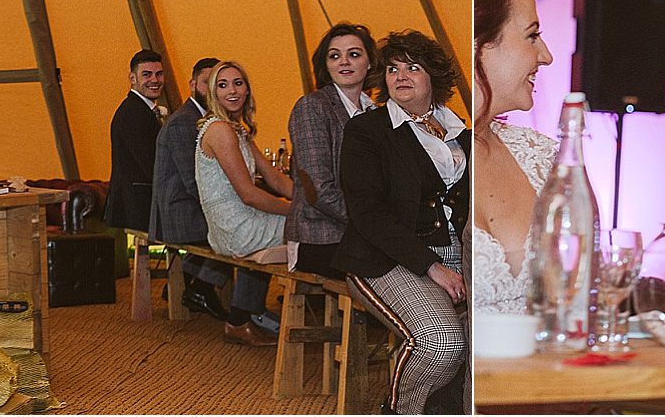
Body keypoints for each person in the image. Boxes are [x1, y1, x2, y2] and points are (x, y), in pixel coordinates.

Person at [337, 31, 470, 415]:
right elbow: (367, 213)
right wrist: (432, 266)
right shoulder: (367, 131)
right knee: (442, 342)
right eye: (393, 68)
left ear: (434, 77)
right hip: (385, 256)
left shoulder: (460, 131)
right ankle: (398, 410)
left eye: (413, 67)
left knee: (483, 339)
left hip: (462, 254)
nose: (401, 76)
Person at [469, 0, 554, 316]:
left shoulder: (542, 155)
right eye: (531, 35)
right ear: (478, 45)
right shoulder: (415, 153)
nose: (546, 56)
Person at [195, 61, 295, 345]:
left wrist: (310, 200)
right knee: (314, 229)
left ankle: (243, 317)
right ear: (213, 93)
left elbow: (275, 179)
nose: (232, 91)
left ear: (248, 89)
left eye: (238, 83)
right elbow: (248, 194)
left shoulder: (237, 130)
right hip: (235, 226)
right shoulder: (220, 131)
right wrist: (297, 210)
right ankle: (328, 308)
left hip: (241, 219)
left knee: (316, 222)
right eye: (223, 85)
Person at [286, 23, 380, 280]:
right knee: (394, 273)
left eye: (354, 54)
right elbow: (317, 190)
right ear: (325, 66)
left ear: (370, 62)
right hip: (319, 238)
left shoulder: (375, 112)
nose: (344, 62)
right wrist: (372, 224)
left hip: (361, 232)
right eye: (334, 56)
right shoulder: (312, 107)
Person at [150, 58, 235, 323]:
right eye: (206, 82)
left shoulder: (211, 119)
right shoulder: (183, 122)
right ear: (192, 84)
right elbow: (192, 181)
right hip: (179, 209)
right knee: (237, 232)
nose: (211, 88)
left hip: (192, 202)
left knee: (240, 223)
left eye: (216, 83)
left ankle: (194, 280)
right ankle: (206, 289)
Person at [106, 49, 168, 233]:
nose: (154, 80)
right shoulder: (133, 113)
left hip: (139, 206)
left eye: (159, 74)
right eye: (146, 75)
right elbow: (151, 164)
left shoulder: (142, 110)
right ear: (132, 78)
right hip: (136, 207)